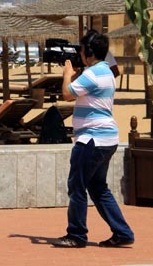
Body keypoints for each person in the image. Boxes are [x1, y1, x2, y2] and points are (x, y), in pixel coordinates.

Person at [52, 31, 135, 248]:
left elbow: (67, 94)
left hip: (91, 139)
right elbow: (83, 91)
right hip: (107, 139)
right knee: (98, 187)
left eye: (81, 50)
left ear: (89, 52)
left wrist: (67, 74)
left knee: (77, 186)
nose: (79, 54)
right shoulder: (106, 72)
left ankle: (76, 235)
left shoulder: (92, 74)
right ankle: (122, 232)